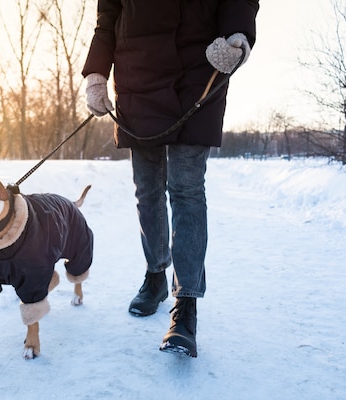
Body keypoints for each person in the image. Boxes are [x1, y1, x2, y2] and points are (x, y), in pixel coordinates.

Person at [82, 0, 259, 357]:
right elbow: (107, 18)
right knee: (147, 190)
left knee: (186, 190)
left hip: (198, 69)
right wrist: (97, 74)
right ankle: (155, 275)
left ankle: (186, 305)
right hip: (137, 73)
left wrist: (237, 37)